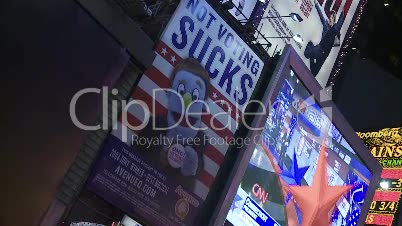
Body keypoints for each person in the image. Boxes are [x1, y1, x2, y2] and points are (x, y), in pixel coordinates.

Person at [133, 58, 211, 192]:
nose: (186, 101)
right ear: (170, 92)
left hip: (169, 199)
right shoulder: (155, 123)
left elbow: (197, 170)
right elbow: (135, 150)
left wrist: (191, 166)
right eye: (180, 91)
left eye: (195, 96)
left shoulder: (200, 139)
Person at [304, 2, 345, 76]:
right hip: (319, 49)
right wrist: (316, 5)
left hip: (324, 56)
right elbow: (321, 16)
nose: (330, 19)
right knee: (307, 53)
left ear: (334, 20)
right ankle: (311, 50)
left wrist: (342, 14)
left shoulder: (335, 31)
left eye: (332, 18)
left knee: (314, 72)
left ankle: (312, 53)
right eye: (330, 17)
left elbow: (338, 27)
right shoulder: (326, 27)